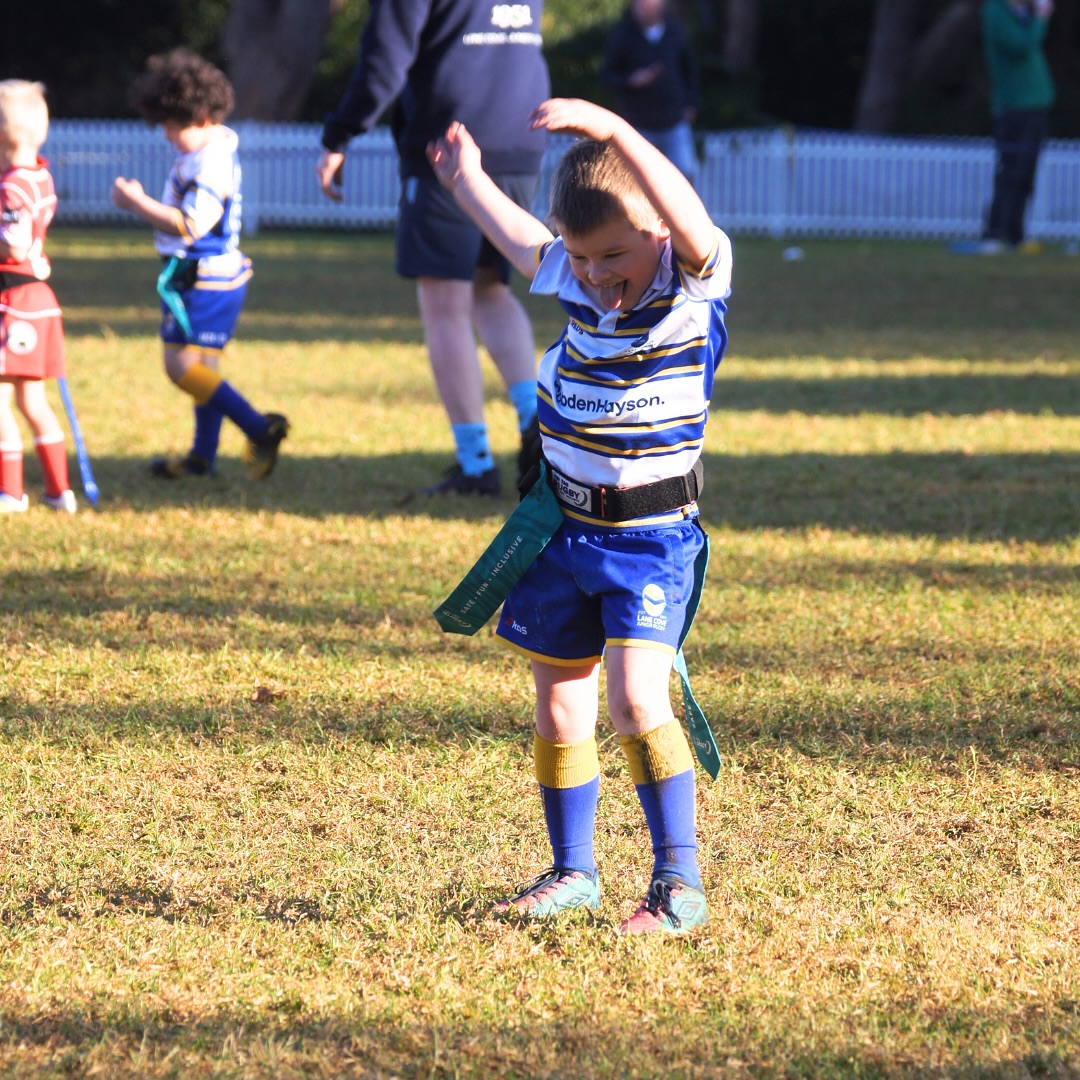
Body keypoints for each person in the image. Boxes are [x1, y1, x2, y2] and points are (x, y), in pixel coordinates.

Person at [427, 97, 732, 934]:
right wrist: (469, 181)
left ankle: (678, 884)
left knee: (637, 703)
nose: (595, 273)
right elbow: (526, 239)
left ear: (658, 237)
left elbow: (683, 211)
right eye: (582, 255)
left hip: (650, 541)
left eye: (614, 255)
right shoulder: (574, 270)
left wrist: (615, 133)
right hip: (562, 534)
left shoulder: (693, 284)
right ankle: (573, 873)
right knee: (560, 707)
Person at [316, 0, 549, 497]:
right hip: (520, 136)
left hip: (451, 145)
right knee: (488, 289)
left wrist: (341, 132)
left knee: (445, 305)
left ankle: (475, 464)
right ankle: (537, 426)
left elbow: (384, 59)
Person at [111, 49, 288, 481]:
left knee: (180, 368)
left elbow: (190, 224)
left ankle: (259, 427)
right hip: (216, 277)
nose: (168, 134)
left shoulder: (211, 162)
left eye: (174, 125)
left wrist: (138, 204)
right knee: (203, 367)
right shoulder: (206, 151)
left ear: (204, 116)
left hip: (205, 278)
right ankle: (202, 456)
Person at [0, 80, 77, 514]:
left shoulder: (10, 187)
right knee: (33, 401)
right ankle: (58, 491)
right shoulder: (41, 176)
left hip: (14, 303)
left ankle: (10, 494)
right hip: (40, 301)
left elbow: (11, 244)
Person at [979, 0, 1056, 252]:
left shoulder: (1021, 13)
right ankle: (995, 233)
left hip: (1033, 108)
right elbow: (1020, 45)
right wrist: (1042, 17)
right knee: (1011, 172)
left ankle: (1015, 235)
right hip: (1015, 107)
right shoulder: (995, 11)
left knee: (1025, 175)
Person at [601, 0, 700, 186]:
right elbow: (607, 75)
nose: (640, 8)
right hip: (639, 124)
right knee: (635, 181)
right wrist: (631, 80)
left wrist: (691, 103)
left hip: (674, 121)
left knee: (685, 173)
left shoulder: (675, 32)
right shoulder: (623, 36)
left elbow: (690, 71)